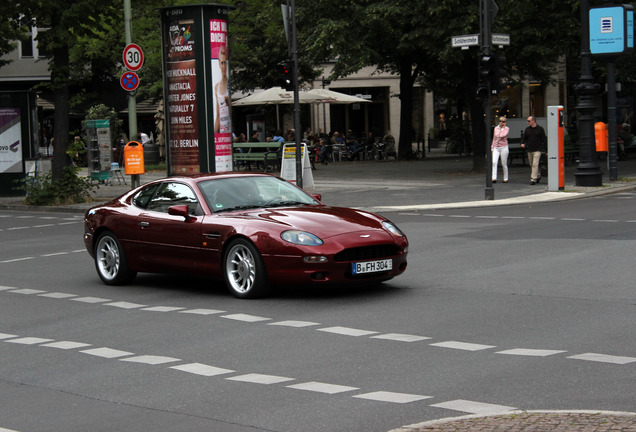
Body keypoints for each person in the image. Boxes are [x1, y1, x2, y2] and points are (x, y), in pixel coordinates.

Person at [521, 115, 547, 185]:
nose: (527, 122)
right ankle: (538, 175)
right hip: (530, 149)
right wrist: (523, 143)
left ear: (533, 121)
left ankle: (533, 179)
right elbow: (524, 138)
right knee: (531, 164)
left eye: (529, 121)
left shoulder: (540, 129)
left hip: (537, 149)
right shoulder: (527, 129)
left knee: (535, 164)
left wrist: (546, 150)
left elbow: (544, 140)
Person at [214, 45, 231, 134]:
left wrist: (228, 103)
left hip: (229, 131)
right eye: (222, 63)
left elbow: (231, 114)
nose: (224, 66)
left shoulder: (230, 84)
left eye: (225, 62)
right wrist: (214, 136)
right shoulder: (217, 87)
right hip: (221, 132)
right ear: (219, 64)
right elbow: (218, 116)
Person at [491, 117, 510, 183]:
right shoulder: (496, 128)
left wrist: (502, 129)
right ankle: (494, 177)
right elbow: (494, 138)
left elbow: (502, 135)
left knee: (503, 163)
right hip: (496, 147)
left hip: (503, 147)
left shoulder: (507, 128)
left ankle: (505, 177)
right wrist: (492, 147)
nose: (501, 123)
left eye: (503, 121)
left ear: (505, 122)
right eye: (500, 121)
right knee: (494, 162)